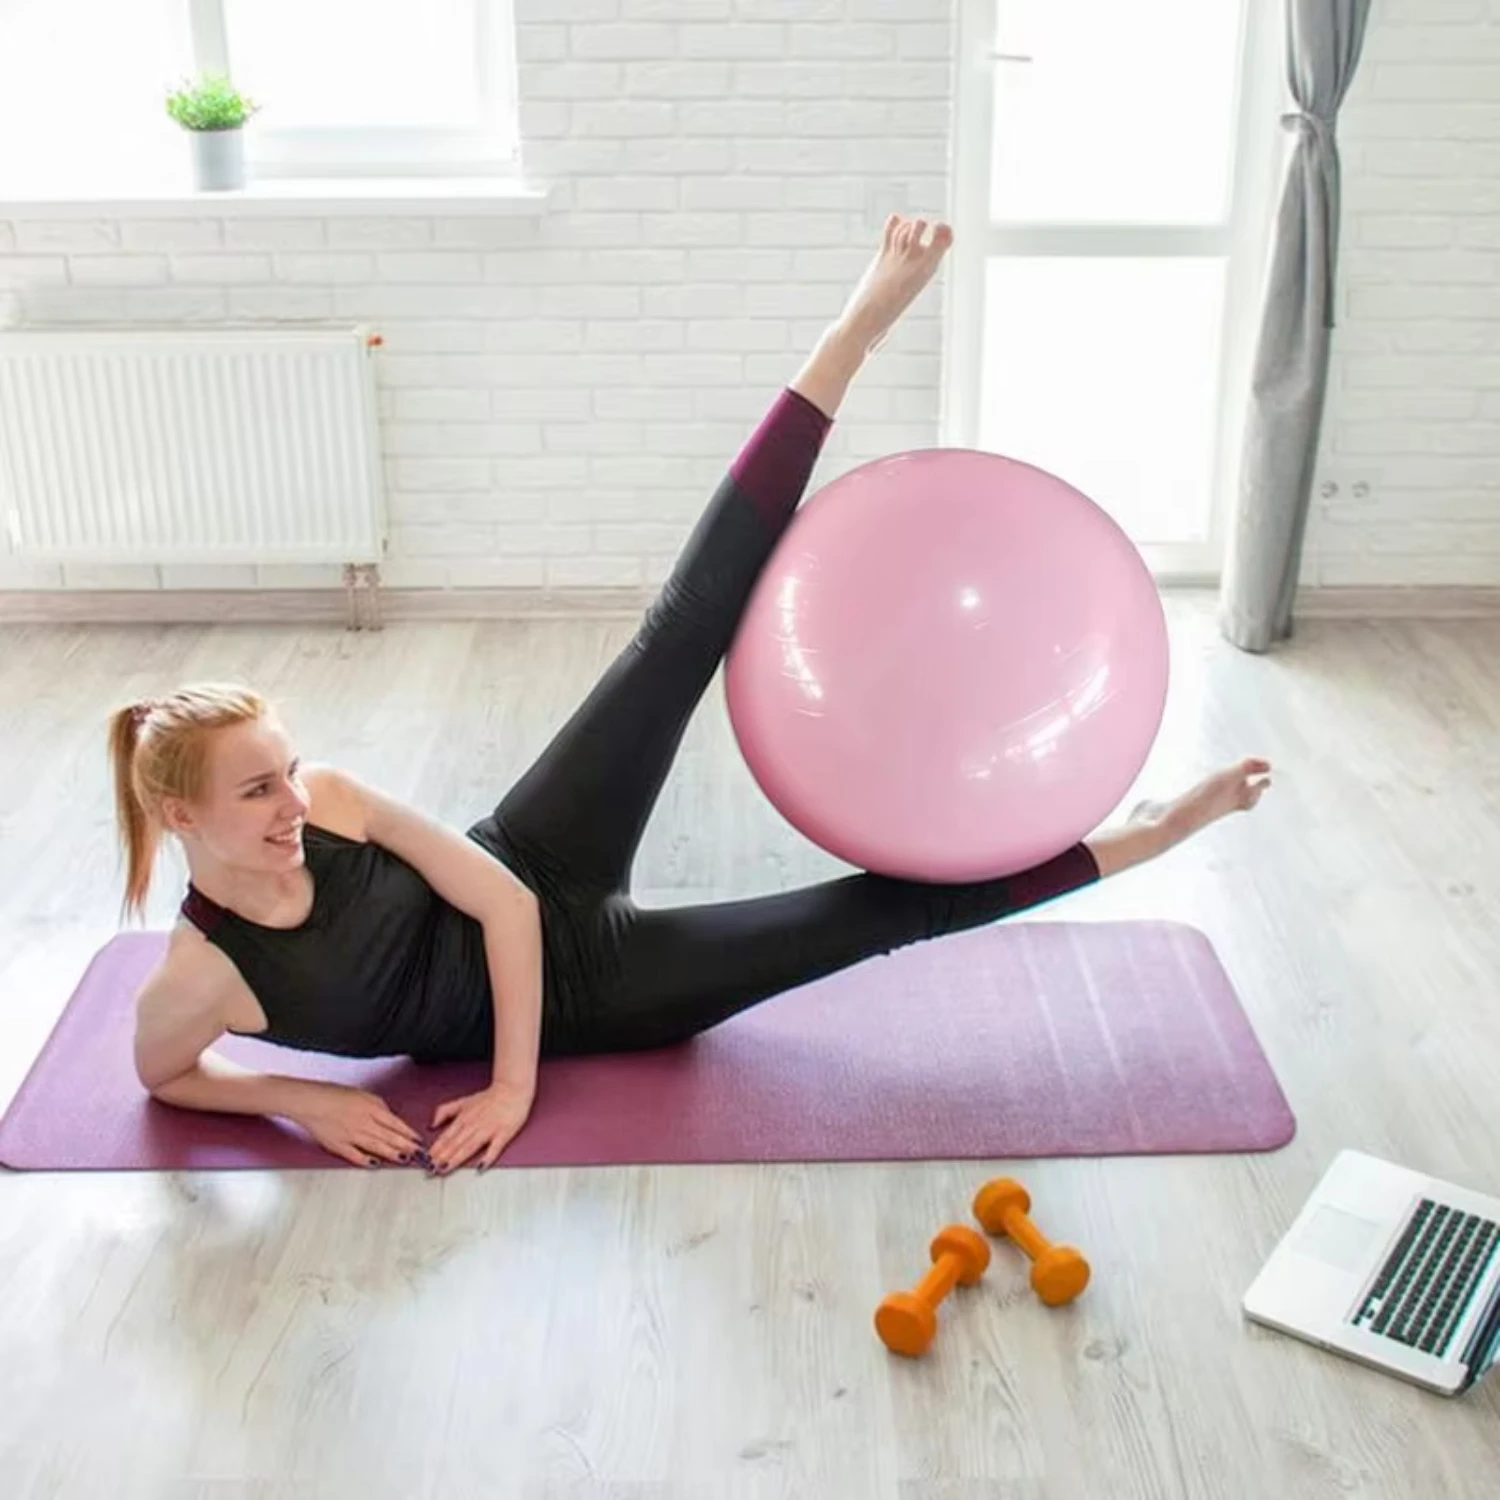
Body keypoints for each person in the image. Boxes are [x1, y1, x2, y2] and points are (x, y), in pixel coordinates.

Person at [114, 215, 1272, 1176]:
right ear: (182, 818)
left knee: (673, 644)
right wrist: (297, 1104)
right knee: (874, 916)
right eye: (259, 791)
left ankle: (849, 332)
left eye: (286, 770)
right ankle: (1159, 831)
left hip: (530, 864)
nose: (292, 801)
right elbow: (162, 1074)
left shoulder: (337, 800)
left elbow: (506, 904)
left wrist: (512, 1090)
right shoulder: (200, 977)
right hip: (601, 996)